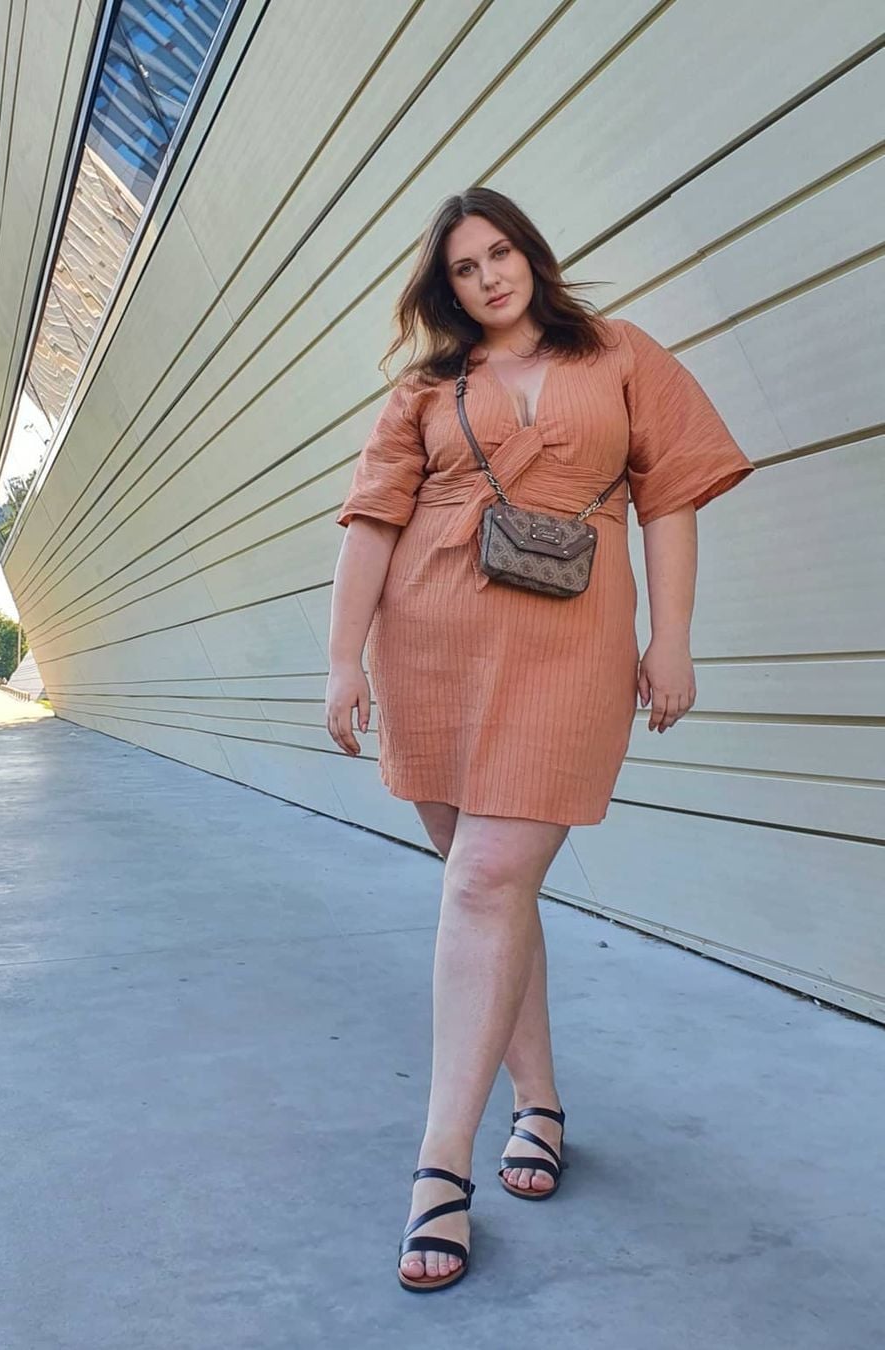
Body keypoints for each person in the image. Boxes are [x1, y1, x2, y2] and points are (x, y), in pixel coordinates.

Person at [324, 187, 756, 1293]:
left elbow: (671, 496)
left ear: (533, 253)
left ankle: (439, 1168)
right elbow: (371, 525)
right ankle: (540, 1103)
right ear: (446, 290)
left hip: (570, 649)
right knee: (492, 893)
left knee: (484, 883)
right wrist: (342, 663)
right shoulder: (426, 390)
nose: (488, 278)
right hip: (429, 647)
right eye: (464, 269)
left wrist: (673, 639)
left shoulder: (619, 353)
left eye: (500, 253)